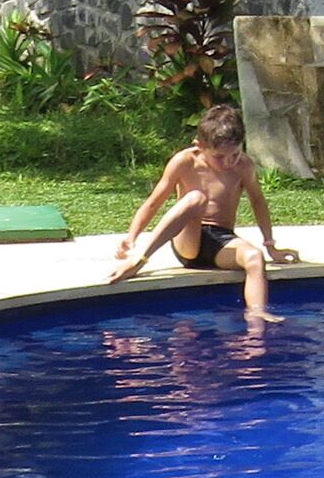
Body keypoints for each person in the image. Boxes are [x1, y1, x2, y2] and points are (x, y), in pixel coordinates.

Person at [110, 101, 294, 321]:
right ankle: (139, 261)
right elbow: (153, 202)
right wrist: (131, 239)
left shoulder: (244, 165)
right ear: (199, 146)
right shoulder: (184, 161)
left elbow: (258, 202)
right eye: (219, 157)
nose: (228, 162)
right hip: (187, 240)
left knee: (254, 258)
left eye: (234, 154)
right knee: (196, 198)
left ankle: (257, 317)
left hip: (221, 241)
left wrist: (270, 246)